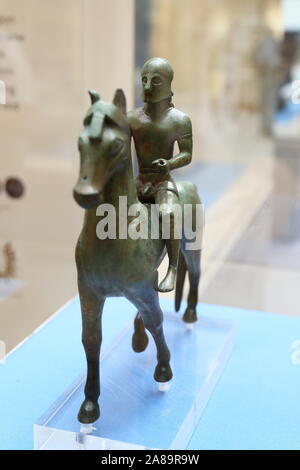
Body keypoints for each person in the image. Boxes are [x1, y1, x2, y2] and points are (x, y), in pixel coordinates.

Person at [127, 57, 193, 292]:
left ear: (167, 85)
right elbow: (123, 155)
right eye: (144, 80)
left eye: (155, 81)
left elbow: (186, 155)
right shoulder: (132, 119)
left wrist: (169, 163)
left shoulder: (179, 120)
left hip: (162, 182)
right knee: (112, 210)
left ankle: (173, 267)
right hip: (139, 181)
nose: (146, 86)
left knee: (168, 213)